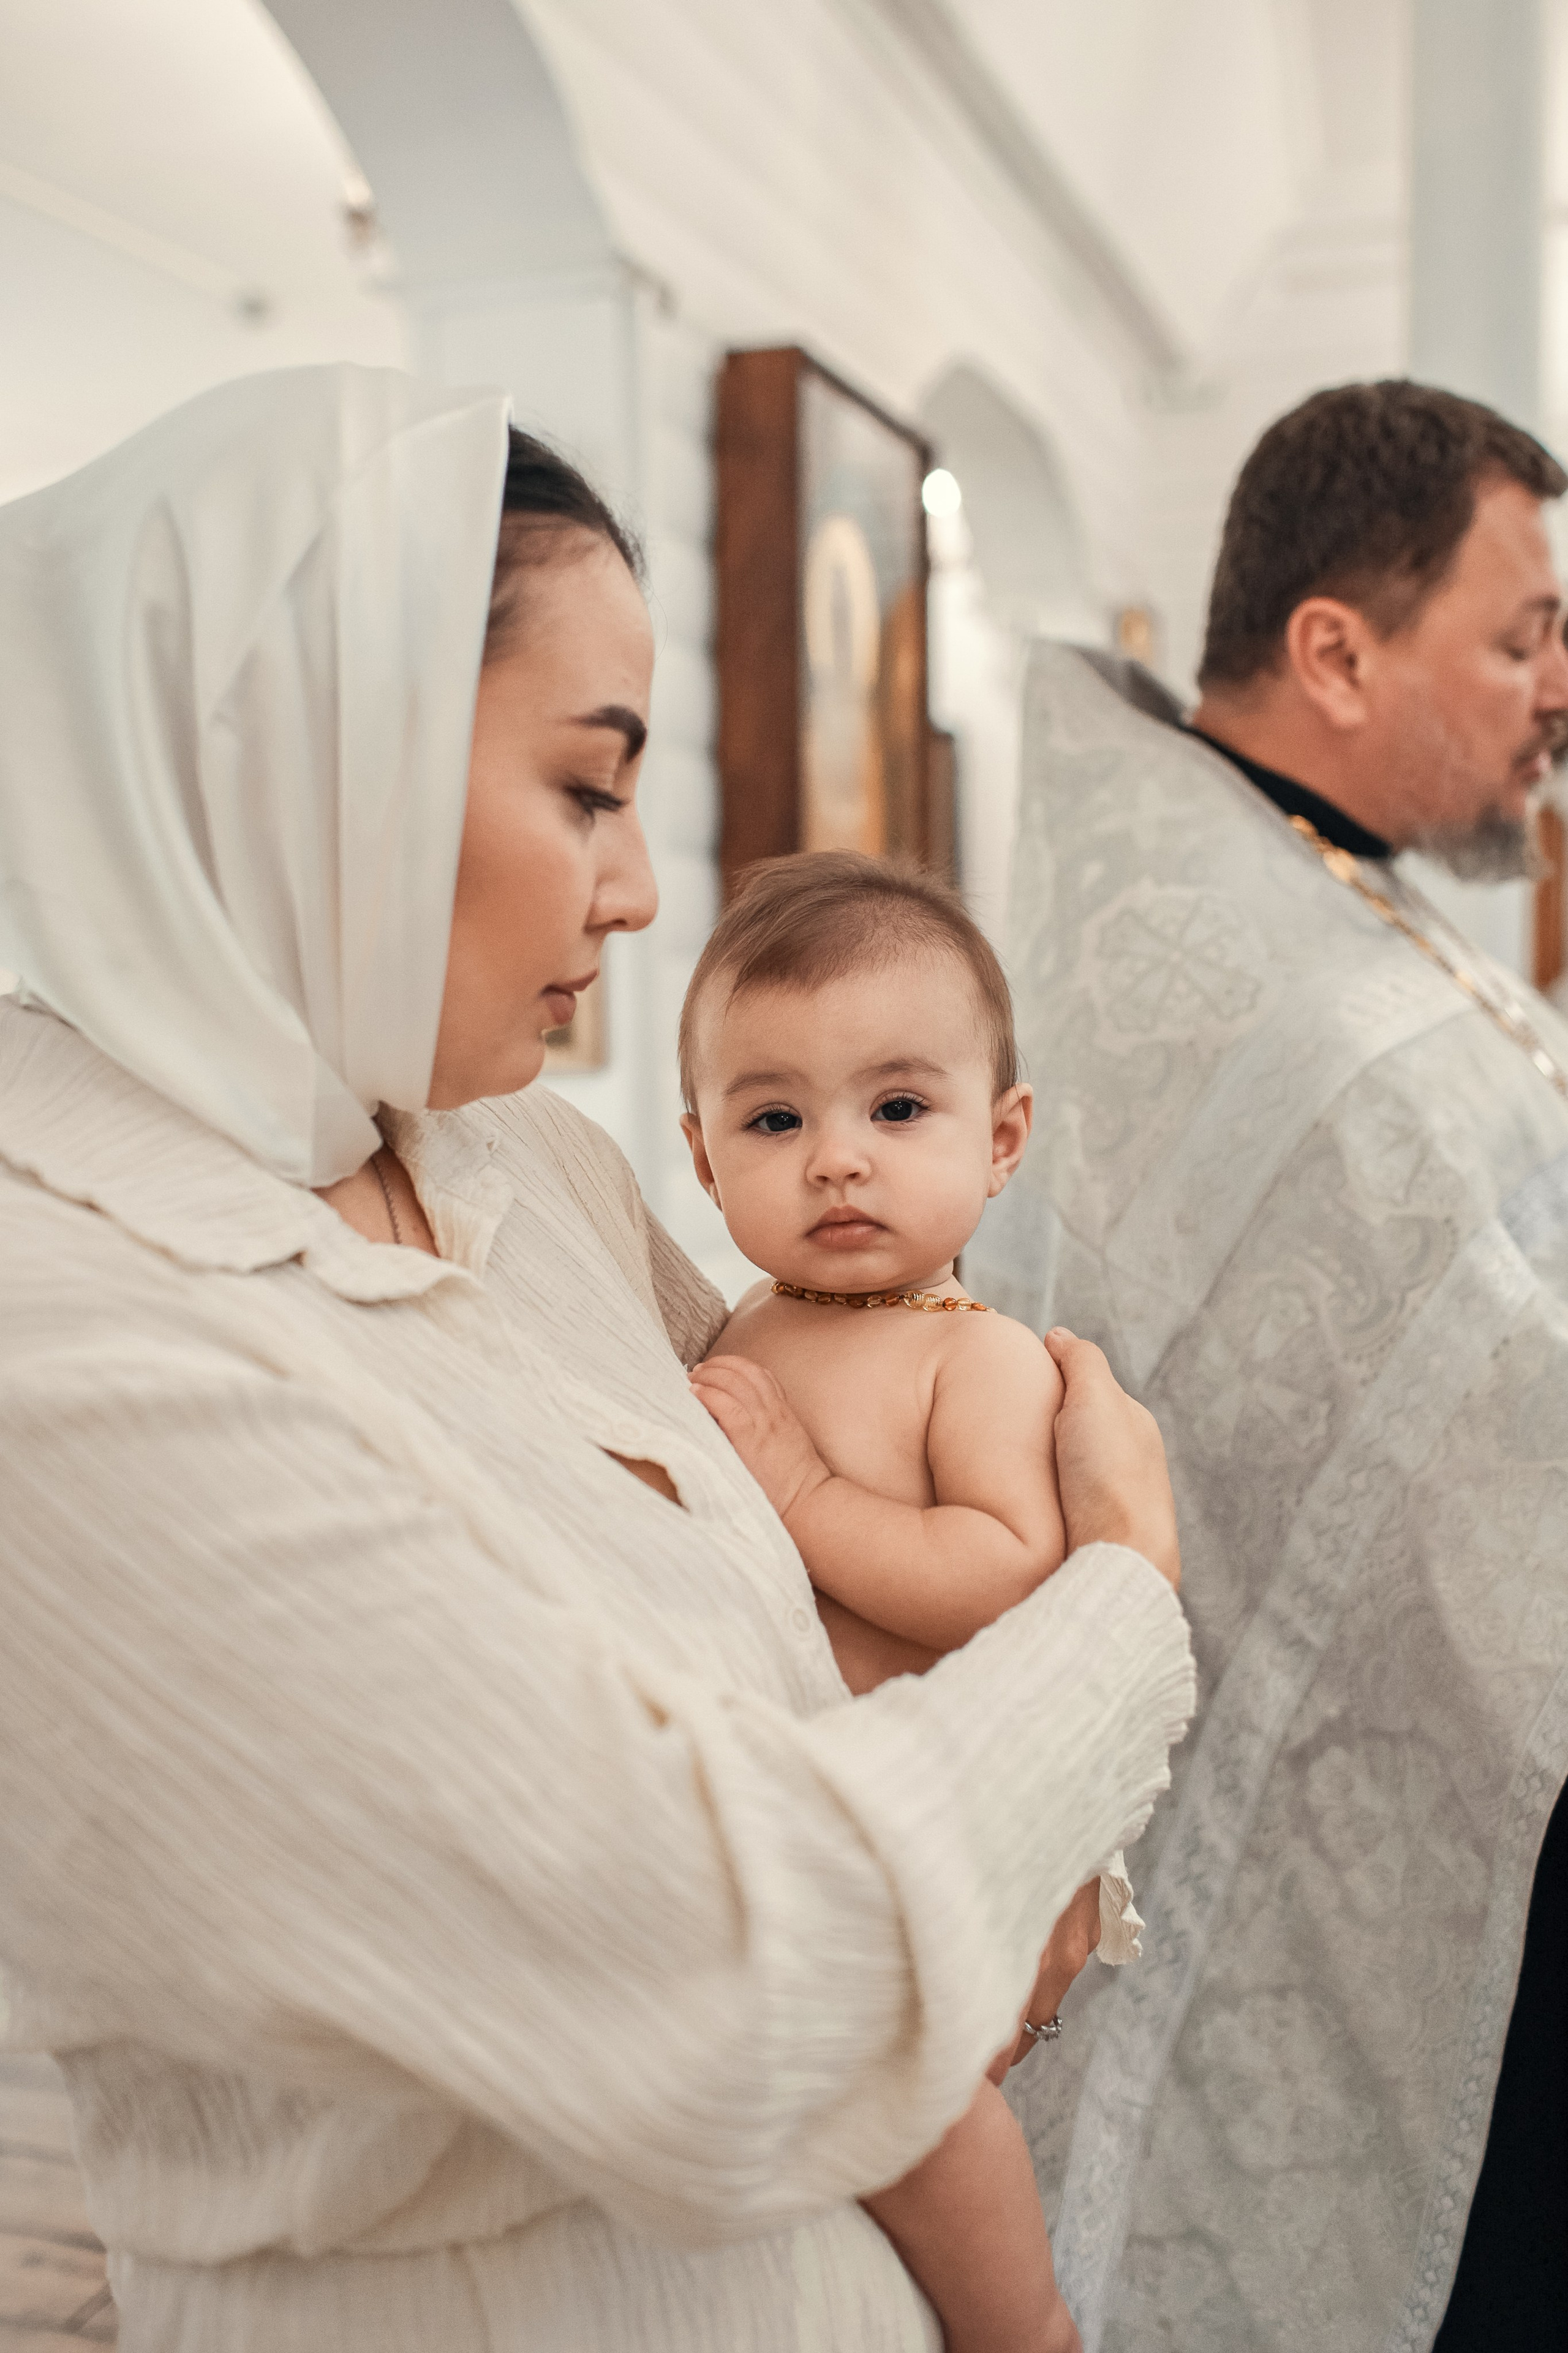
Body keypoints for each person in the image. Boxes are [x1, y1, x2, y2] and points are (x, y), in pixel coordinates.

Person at [0, 364, 1195, 2352]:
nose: (637, 893)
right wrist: (1130, 1604)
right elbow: (746, 1985)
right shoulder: (63, 1325)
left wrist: (983, 1876)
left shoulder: (516, 1165)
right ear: (310, 750)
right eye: (585, 785)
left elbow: (811, 1638)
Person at [971, 378, 1568, 2353]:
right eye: (1520, 633)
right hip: (1321, 1792)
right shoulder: (1238, 947)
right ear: (1336, 649)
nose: (1557, 684)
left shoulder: (1302, 876)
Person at [679, 851, 1147, 2353]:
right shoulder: (741, 1323)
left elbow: (1010, 1576)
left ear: (1000, 1137)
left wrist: (804, 1497)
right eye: (774, 1117)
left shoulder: (976, 1357)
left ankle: (1025, 2329)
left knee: (927, 2117)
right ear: (700, 1160)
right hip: (783, 1830)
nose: (835, 1158)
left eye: (895, 1109)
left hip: (931, 1832)